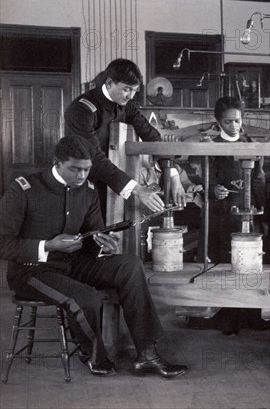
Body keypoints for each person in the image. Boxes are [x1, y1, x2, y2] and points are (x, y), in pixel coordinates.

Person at [0, 136, 188, 378]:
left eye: (87, 170)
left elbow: (93, 235)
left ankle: (147, 355)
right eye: (75, 170)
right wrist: (47, 245)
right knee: (87, 298)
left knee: (129, 265)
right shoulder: (24, 188)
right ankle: (94, 356)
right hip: (31, 271)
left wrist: (103, 244)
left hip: (73, 263)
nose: (81, 176)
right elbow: (3, 243)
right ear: (56, 163)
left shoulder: (88, 191)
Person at [64, 58, 185, 217]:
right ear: (109, 83)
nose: (131, 96)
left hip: (113, 184)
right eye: (127, 89)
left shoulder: (125, 105)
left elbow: (152, 136)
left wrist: (172, 173)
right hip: (84, 186)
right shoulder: (81, 110)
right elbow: (94, 157)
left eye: (135, 90)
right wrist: (138, 189)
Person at [208, 96, 266, 262]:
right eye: (228, 122)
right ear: (218, 121)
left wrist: (263, 211)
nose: (233, 126)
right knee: (224, 258)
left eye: (237, 121)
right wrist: (214, 190)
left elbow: (259, 181)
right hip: (222, 214)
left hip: (250, 211)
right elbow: (208, 180)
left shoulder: (252, 144)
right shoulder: (210, 147)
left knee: (250, 258)